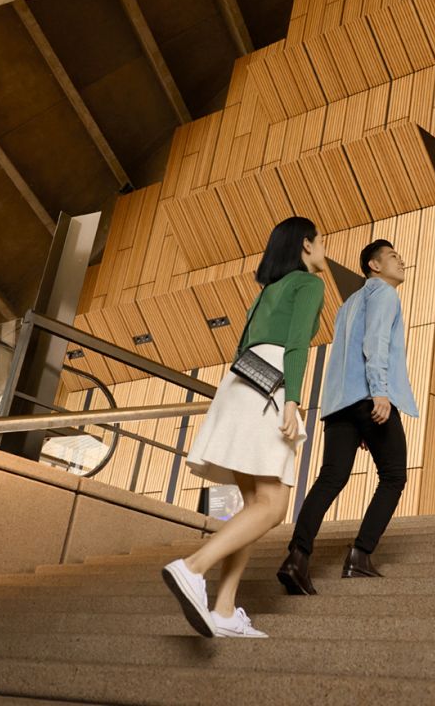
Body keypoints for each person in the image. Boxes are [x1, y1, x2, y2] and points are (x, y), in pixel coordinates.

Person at [162, 216, 326, 638]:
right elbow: (296, 346)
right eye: (320, 242)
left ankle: (224, 608)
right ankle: (192, 567)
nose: (324, 250)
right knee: (273, 506)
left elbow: (239, 347)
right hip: (270, 386)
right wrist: (291, 399)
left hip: (237, 386)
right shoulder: (308, 284)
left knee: (253, 504)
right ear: (306, 245)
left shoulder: (267, 291)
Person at [278, 238, 416, 592]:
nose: (401, 262)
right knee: (393, 476)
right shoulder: (384, 294)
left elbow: (344, 355)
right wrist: (380, 393)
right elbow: (375, 345)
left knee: (331, 478)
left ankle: (297, 556)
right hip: (370, 396)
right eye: (393, 257)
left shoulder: (349, 304)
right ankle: (360, 556)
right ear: (374, 265)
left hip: (339, 404)